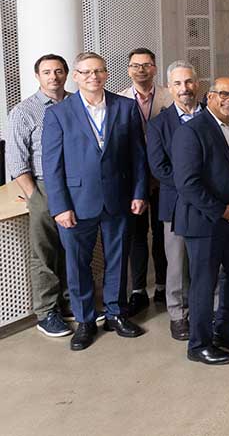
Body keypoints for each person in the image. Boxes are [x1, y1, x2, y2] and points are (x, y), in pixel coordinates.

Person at [42, 52, 148, 351]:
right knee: (77, 264)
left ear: (106, 74)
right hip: (76, 203)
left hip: (119, 198)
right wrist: (60, 207)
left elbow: (138, 156)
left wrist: (139, 192)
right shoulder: (59, 114)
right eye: (86, 72)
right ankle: (85, 320)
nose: (93, 76)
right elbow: (52, 165)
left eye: (99, 71)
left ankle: (115, 313)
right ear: (75, 76)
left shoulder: (125, 107)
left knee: (118, 259)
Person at [170, 77, 229, 365]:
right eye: (224, 94)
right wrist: (222, 210)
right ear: (210, 97)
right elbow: (187, 183)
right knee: (204, 285)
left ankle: (225, 331)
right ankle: (199, 344)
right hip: (205, 221)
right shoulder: (191, 131)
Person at [4, 54, 72, 337]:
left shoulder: (76, 104)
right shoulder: (24, 111)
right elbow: (16, 161)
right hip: (43, 186)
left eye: (58, 71)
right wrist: (35, 196)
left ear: (67, 74)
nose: (53, 77)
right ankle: (47, 312)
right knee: (45, 252)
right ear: (37, 76)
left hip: (75, 186)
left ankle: (69, 301)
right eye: (47, 72)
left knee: (72, 248)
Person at [146, 60, 203, 341]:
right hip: (176, 204)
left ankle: (207, 309)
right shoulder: (158, 124)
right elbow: (159, 168)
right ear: (169, 88)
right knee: (178, 263)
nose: (184, 88)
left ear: (197, 84)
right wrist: (194, 189)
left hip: (211, 204)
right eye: (178, 83)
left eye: (189, 81)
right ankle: (178, 315)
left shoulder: (212, 116)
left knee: (207, 260)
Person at [118, 47, 173, 315]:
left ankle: (163, 285)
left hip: (164, 177)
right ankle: (138, 290)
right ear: (128, 70)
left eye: (147, 65)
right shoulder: (118, 100)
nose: (141, 70)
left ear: (155, 68)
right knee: (136, 236)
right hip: (132, 180)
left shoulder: (169, 96)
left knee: (163, 234)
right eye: (135, 65)